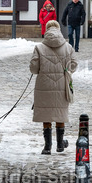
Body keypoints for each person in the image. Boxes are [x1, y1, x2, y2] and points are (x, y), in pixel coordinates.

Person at [29, 19, 78, 154]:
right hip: (62, 84)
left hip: (44, 84)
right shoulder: (68, 47)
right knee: (60, 113)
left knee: (47, 114)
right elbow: (74, 64)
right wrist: (67, 71)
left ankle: (47, 147)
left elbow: (33, 68)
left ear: (47, 30)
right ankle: (60, 145)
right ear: (58, 30)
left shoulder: (39, 48)